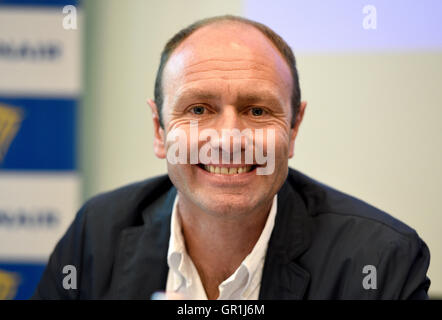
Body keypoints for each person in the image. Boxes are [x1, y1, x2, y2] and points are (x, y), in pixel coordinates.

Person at [32, 15, 430, 300]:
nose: (228, 138)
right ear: (159, 130)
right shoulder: (96, 234)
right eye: (198, 110)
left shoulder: (379, 259)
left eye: (257, 111)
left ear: (293, 129)